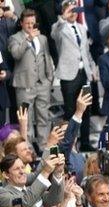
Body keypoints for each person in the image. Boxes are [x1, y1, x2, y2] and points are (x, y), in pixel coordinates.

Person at [51, 0, 97, 152]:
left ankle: (85, 142)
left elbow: (86, 51)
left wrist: (92, 69)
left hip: (83, 72)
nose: (74, 13)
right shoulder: (59, 27)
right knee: (71, 111)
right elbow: (54, 34)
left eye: (75, 10)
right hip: (68, 74)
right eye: (71, 10)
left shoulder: (82, 28)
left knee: (86, 109)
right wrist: (63, 17)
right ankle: (71, 143)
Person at [9, 9, 54, 148]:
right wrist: (27, 39)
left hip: (42, 84)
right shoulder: (15, 38)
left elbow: (46, 58)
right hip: (25, 85)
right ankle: (27, 149)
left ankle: (43, 147)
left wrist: (49, 78)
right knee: (25, 120)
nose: (30, 26)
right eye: (27, 23)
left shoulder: (42, 38)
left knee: (43, 117)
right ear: (21, 23)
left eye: (33, 23)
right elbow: (16, 54)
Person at [0, 153, 65, 207]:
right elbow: (25, 202)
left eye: (22, 167)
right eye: (17, 169)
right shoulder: (3, 195)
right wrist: (45, 172)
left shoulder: (31, 189)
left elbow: (55, 199)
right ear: (5, 175)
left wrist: (58, 173)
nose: (22, 171)